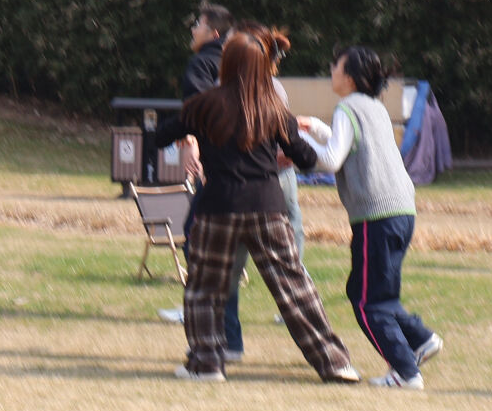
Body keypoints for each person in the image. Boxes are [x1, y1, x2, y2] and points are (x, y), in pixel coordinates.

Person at [154, 32, 359, 384]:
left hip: (217, 205)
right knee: (294, 287)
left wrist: (190, 135)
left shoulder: (204, 104)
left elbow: (158, 136)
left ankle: (207, 364)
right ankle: (335, 363)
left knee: (205, 288)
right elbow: (307, 158)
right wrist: (287, 150)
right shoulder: (273, 107)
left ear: (226, 65)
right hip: (267, 205)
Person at [298, 44, 441, 390]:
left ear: (349, 76)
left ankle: (405, 371)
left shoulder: (347, 107)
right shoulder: (372, 107)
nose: (331, 70)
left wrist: (294, 145)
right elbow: (349, 144)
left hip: (376, 216)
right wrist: (316, 128)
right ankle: (420, 339)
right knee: (379, 292)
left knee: (367, 301)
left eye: (335, 66)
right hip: (402, 211)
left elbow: (332, 160)